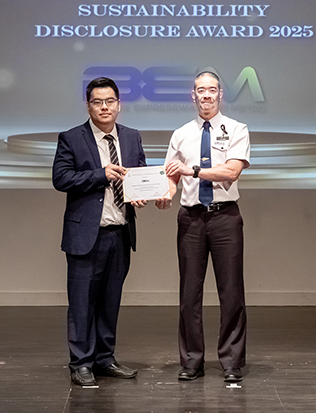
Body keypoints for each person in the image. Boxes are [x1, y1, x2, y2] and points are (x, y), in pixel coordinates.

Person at [52, 77, 149, 387]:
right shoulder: (71, 138)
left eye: (110, 101)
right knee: (82, 303)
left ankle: (104, 359)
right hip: (86, 236)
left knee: (110, 301)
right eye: (98, 102)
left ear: (119, 105)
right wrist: (101, 174)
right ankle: (81, 363)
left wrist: (142, 193)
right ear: (88, 106)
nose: (104, 107)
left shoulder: (131, 137)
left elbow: (140, 173)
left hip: (120, 233)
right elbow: (61, 178)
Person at [157, 70, 251, 383]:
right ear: (193, 95)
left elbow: (231, 172)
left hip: (225, 217)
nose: (206, 95)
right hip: (191, 218)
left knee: (232, 292)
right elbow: (171, 175)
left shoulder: (236, 129)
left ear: (220, 94)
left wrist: (193, 171)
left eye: (212, 90)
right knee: (189, 294)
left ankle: (231, 362)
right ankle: (191, 362)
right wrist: (165, 195)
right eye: (201, 90)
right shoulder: (181, 134)